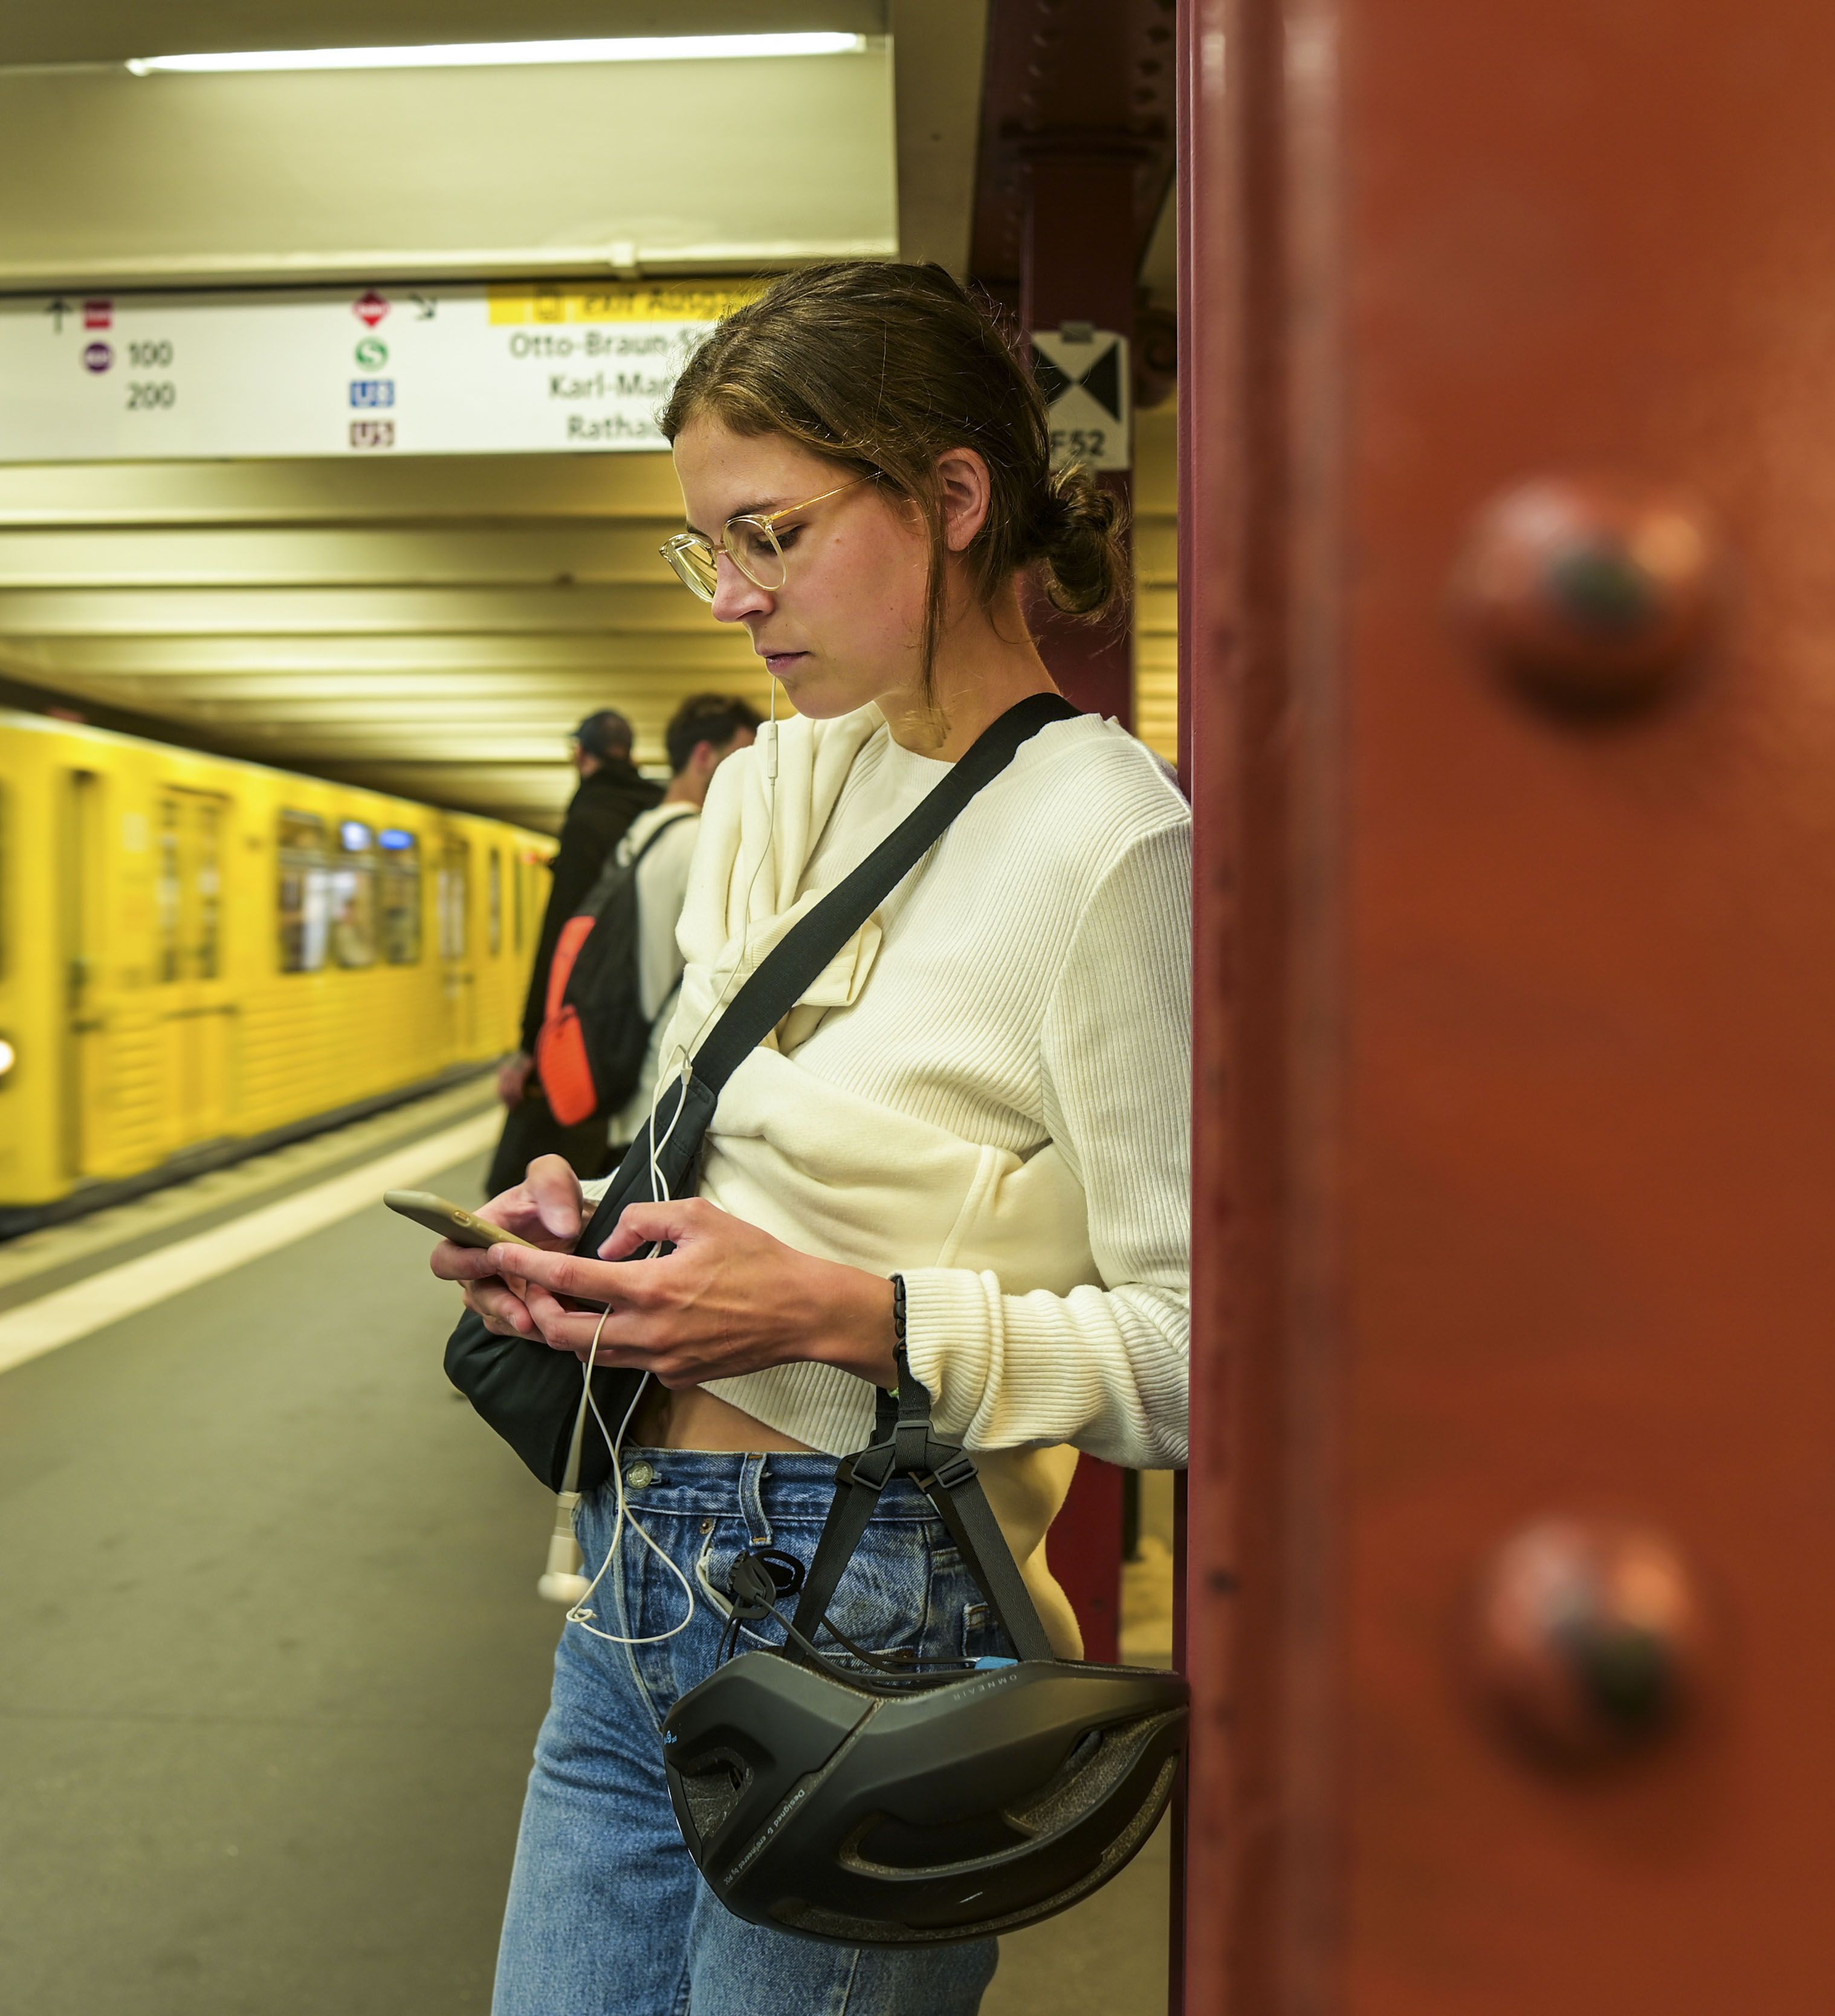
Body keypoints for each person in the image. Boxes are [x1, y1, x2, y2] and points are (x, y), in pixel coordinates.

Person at [430, 262, 1191, 2016]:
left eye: (768, 535)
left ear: (948, 496)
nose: (734, 600)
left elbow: (1187, 1355)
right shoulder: (798, 784)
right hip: (639, 1563)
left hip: (868, 1601)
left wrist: (839, 1313)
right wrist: (589, 1220)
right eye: (711, 550)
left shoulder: (1110, 844)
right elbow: (727, 1138)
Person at [485, 708, 664, 1193]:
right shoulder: (656, 814)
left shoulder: (589, 817)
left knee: (523, 1180)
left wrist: (529, 1046)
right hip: (648, 1016)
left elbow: (562, 936)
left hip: (585, 1018)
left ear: (579, 756)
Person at [606, 693, 760, 1149]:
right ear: (703, 756)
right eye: (743, 757)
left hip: (628, 1071)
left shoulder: (638, 835)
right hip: (670, 1082)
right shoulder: (703, 841)